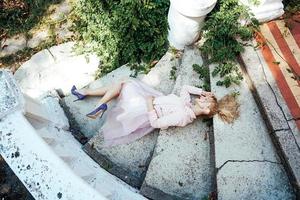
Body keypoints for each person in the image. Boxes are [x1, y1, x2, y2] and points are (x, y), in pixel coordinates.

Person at [71, 78, 218, 146]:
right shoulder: (187, 103)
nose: (203, 97)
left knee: (124, 83)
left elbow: (156, 123)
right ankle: (89, 95)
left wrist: (148, 103)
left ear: (205, 110)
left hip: (144, 109)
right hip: (151, 100)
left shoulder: (183, 116)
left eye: (206, 100)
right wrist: (203, 91)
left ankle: (95, 100)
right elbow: (185, 87)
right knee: (124, 83)